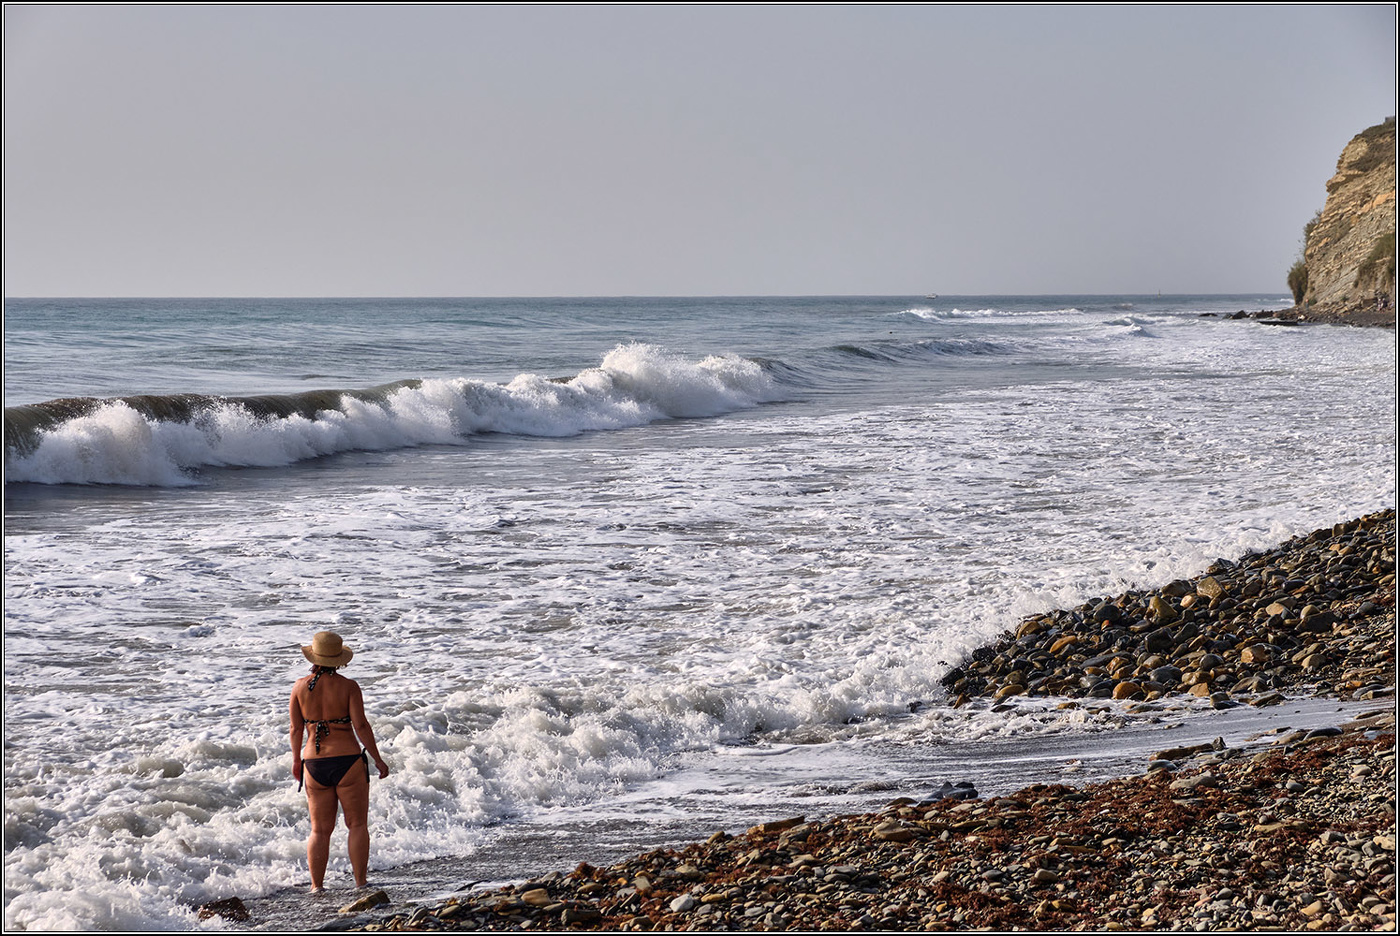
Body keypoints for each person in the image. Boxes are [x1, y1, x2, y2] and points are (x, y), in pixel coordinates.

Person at [289, 631, 390, 890]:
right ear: (338, 659)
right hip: (348, 762)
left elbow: (295, 729)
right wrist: (378, 759)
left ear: (314, 656)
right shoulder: (349, 687)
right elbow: (361, 725)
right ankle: (360, 883)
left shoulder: (299, 687)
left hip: (314, 763)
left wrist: (296, 761)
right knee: (357, 824)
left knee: (319, 830)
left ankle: (316, 887)